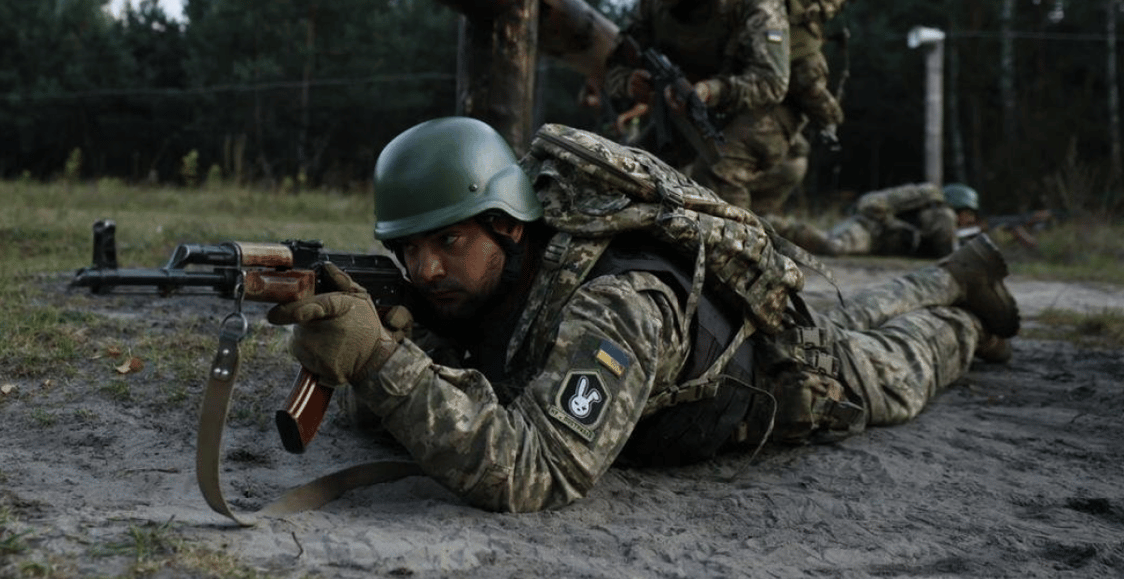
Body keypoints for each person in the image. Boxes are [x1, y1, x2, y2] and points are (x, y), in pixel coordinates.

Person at [266, 117, 1020, 513]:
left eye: (448, 242)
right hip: (752, 350)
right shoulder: (486, 280)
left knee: (901, 360)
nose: (425, 271)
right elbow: (452, 385)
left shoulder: (616, 305)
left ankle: (965, 315)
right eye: (408, 250)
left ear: (511, 224)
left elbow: (537, 472)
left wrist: (383, 360)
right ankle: (957, 270)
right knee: (854, 313)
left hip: (803, 386)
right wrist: (393, 342)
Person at [601, 0, 844, 212]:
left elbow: (771, 81)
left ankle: (738, 257)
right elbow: (614, 68)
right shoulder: (654, 4)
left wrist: (708, 91)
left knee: (717, 175)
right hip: (696, 107)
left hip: (771, 106)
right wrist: (629, 83)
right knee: (628, 168)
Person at [769, 183, 961, 258]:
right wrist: (894, 225)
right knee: (834, 247)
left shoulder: (943, 224)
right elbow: (871, 203)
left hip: (875, 246)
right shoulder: (926, 197)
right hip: (870, 229)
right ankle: (775, 226)